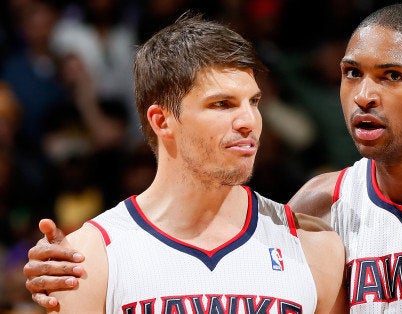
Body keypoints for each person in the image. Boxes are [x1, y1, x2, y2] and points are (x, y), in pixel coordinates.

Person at [23, 2, 402, 313]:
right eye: (350, 74)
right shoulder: (320, 207)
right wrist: (62, 265)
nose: (365, 94)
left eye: (391, 76)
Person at [23, 12, 346, 313]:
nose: (249, 120)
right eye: (222, 104)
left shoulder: (313, 247)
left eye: (254, 102)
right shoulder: (91, 258)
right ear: (162, 121)